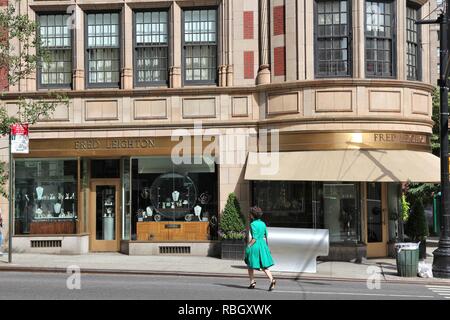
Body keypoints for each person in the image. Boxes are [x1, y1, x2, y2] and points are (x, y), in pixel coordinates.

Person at [244, 206, 276, 291]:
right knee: (264, 265)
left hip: (255, 246)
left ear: (252, 215)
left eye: (250, 214)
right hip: (263, 245)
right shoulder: (263, 223)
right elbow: (266, 236)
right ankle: (272, 279)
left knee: (250, 264)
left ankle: (252, 282)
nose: (249, 215)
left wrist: (248, 245)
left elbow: (254, 238)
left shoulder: (252, 224)